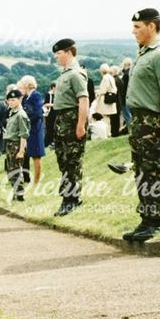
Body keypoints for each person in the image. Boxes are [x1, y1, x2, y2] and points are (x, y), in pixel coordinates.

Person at [121, 8, 160, 242]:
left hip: (152, 119)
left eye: (137, 27)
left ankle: (155, 221)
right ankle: (146, 218)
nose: (133, 31)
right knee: (142, 171)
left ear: (151, 27)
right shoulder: (144, 53)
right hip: (139, 120)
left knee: (154, 170)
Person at [50, 38, 89, 216]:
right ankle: (69, 196)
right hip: (62, 122)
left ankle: (71, 199)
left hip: (72, 121)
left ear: (69, 52)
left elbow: (83, 100)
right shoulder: (65, 74)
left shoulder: (75, 74)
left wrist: (81, 125)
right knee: (64, 161)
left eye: (58, 53)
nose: (56, 57)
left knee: (72, 162)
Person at [2, 88, 30, 202]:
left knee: (16, 170)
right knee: (10, 169)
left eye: (14, 100)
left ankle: (19, 194)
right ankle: (15, 191)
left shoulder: (21, 115)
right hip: (9, 144)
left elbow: (23, 134)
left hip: (16, 144)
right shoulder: (11, 113)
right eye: (9, 100)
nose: (11, 102)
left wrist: (21, 150)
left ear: (20, 100)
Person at [18, 75, 46, 184]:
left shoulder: (36, 96)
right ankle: (27, 178)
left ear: (27, 86)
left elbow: (38, 113)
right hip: (29, 129)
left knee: (36, 155)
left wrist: (27, 120)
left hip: (35, 128)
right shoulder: (26, 98)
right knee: (28, 153)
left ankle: (36, 180)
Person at [91, 62, 119, 139]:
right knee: (108, 119)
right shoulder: (111, 77)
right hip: (110, 100)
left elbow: (103, 90)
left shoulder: (105, 78)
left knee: (104, 118)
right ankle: (108, 132)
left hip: (104, 102)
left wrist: (97, 94)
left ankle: (106, 133)